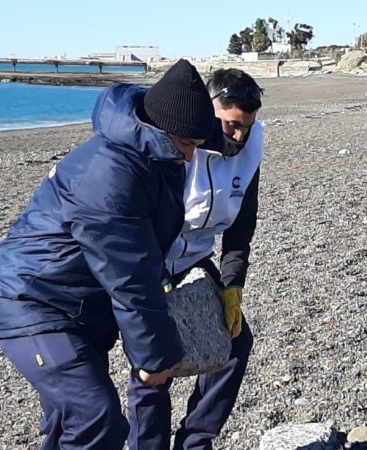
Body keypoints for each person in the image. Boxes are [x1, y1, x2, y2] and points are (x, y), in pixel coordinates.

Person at [0, 59, 216, 450]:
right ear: (163, 128)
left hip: (77, 304)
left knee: (68, 419)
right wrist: (156, 359)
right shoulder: (110, 176)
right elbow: (130, 276)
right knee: (97, 419)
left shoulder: (155, 152)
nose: (191, 158)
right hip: (33, 303)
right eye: (188, 145)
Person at [126, 68, 264, 450]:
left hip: (195, 258)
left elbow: (241, 226)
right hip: (149, 257)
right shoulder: (175, 141)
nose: (239, 136)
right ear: (207, 111)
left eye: (246, 127)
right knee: (156, 359)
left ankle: (196, 441)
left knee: (235, 344)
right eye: (231, 125)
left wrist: (233, 283)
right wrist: (154, 279)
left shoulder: (251, 150)